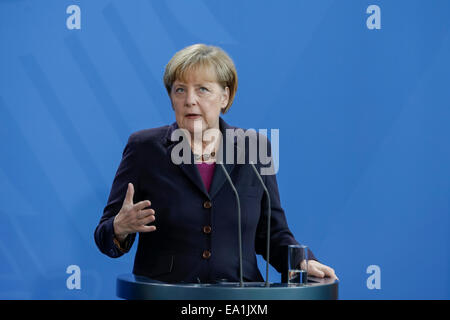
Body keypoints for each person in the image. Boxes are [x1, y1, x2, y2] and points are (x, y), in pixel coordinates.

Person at [94, 43, 338, 283]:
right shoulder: (144, 148)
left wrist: (301, 262)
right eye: (180, 90)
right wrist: (118, 227)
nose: (190, 100)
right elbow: (104, 236)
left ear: (225, 96)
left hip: (240, 297)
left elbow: (272, 233)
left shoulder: (253, 148)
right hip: (168, 294)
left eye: (202, 89)